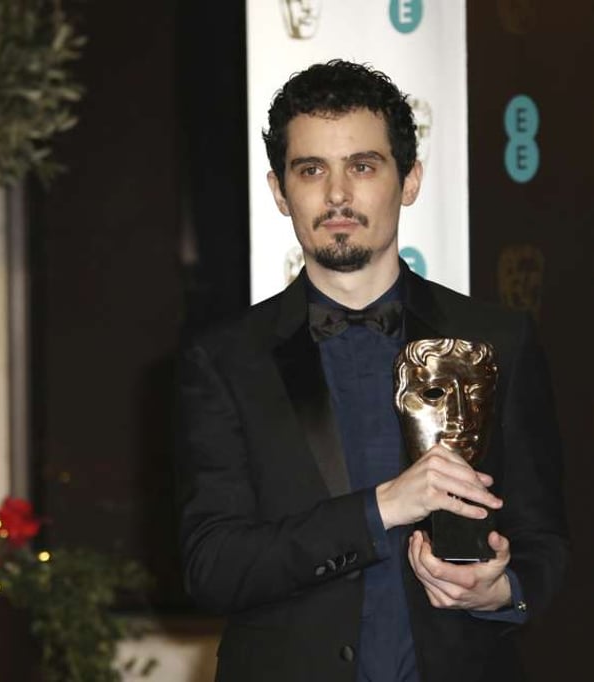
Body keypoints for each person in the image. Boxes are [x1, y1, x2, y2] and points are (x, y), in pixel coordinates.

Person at [176, 60, 568, 682]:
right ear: (280, 192)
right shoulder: (224, 359)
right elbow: (213, 566)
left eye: (362, 166)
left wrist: (499, 591)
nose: (337, 195)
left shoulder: (498, 340)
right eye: (311, 171)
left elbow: (545, 540)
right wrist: (382, 507)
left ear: (408, 180)